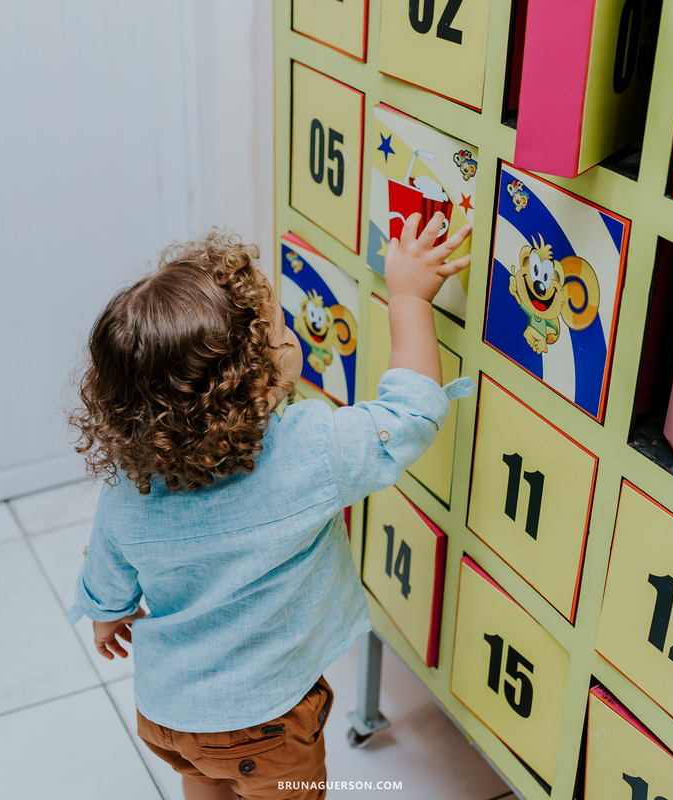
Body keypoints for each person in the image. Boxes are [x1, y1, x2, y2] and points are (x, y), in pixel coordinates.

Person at [66, 212, 473, 800]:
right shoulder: (309, 448)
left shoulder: (132, 488)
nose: (293, 337)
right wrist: (409, 299)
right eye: (280, 331)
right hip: (265, 723)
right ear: (253, 386)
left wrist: (106, 615)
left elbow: (107, 571)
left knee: (203, 778)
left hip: (169, 715)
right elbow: (409, 418)